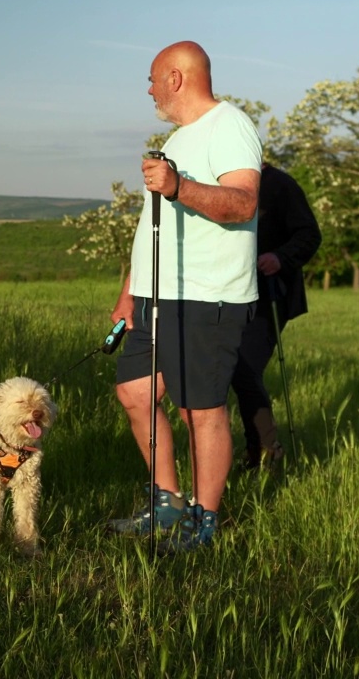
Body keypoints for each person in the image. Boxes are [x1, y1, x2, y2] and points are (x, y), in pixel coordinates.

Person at [107, 41, 262, 553]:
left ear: (176, 77)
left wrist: (178, 187)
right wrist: (129, 294)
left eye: (153, 78)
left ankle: (204, 517)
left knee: (201, 409)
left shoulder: (231, 125)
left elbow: (242, 203)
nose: (149, 88)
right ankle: (168, 501)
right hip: (154, 295)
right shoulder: (178, 136)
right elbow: (152, 222)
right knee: (134, 392)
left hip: (206, 295)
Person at [232, 162, 321, 470]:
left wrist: (280, 257)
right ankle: (252, 449)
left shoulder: (280, 184)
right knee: (227, 369)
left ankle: (266, 450)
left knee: (244, 368)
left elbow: (309, 234)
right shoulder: (219, 182)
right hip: (223, 292)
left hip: (269, 293)